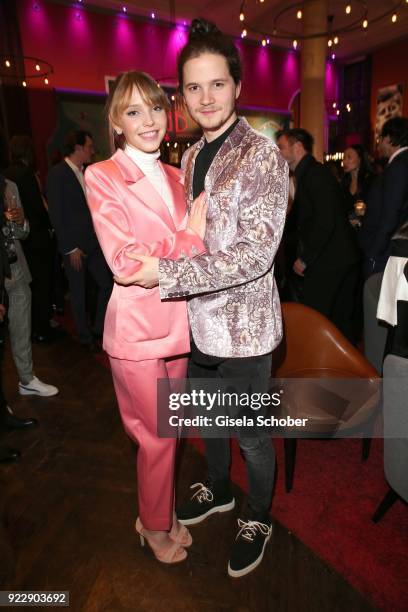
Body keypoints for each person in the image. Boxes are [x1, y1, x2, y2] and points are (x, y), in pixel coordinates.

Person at [114, 19, 289, 578]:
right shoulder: (188, 158)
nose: (206, 97)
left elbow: (252, 257)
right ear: (182, 97)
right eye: (193, 87)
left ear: (237, 87)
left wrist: (164, 274)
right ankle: (219, 491)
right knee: (209, 424)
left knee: (252, 436)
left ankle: (257, 514)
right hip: (196, 327)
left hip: (244, 329)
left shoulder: (262, 157)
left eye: (217, 84)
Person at [85, 71, 207, 563]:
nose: (149, 120)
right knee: (155, 435)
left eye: (155, 108)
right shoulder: (103, 175)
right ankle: (155, 526)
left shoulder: (178, 173)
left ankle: (158, 512)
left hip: (178, 326)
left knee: (170, 434)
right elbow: (126, 263)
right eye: (134, 111)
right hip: (137, 332)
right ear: (117, 121)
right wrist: (189, 240)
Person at [277, 128, 360, 342]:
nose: (278, 152)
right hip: (335, 258)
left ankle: (325, 369)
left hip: (332, 259)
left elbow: (325, 222)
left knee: (317, 319)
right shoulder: (308, 173)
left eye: (281, 147)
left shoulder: (315, 173)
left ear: (297, 147)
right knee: (337, 322)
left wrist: (305, 258)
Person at [47, 131, 113, 351]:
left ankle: (98, 329)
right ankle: (85, 338)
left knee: (106, 284)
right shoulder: (58, 174)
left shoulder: (88, 172)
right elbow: (56, 215)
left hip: (93, 243)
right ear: (77, 148)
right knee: (78, 293)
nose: (92, 151)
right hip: (74, 247)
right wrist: (69, 248)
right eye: (89, 146)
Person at [0, 174, 38, 464]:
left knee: (20, 329)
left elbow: (23, 232)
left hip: (16, 269)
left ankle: (26, 381)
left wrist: (19, 220)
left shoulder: (9, 185)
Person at [4, 135, 56, 342]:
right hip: (35, 237)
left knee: (31, 287)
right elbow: (37, 208)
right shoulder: (26, 173)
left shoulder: (6, 174)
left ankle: (33, 327)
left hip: (19, 242)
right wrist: (50, 227)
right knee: (42, 284)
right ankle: (42, 330)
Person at [359, 117, 408, 279]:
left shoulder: (398, 166)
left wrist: (374, 253)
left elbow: (391, 215)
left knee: (379, 300)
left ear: (389, 138)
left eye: (380, 139)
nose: (379, 144)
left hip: (385, 252)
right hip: (391, 249)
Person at [341, 144, 374, 228]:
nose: (345, 161)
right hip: (348, 231)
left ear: (360, 159)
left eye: (349, 157)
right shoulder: (344, 182)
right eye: (344, 157)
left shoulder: (370, 180)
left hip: (367, 229)